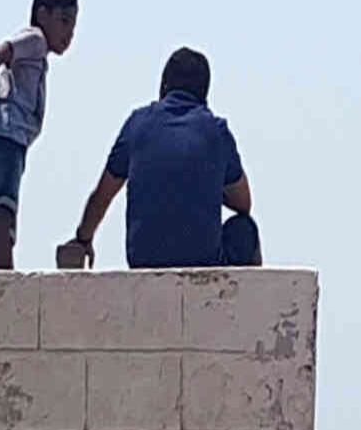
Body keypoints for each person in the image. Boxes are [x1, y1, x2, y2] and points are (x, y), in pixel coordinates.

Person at [62, 48, 253, 269]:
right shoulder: (216, 131)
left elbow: (102, 196)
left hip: (144, 261)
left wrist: (83, 239)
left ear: (163, 86)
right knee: (244, 229)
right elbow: (243, 203)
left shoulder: (137, 124)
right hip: (202, 261)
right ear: (205, 94)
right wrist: (203, 182)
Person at [0, 0, 79, 270]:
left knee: (2, 204)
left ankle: (1, 264)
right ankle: (4, 271)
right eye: (64, 22)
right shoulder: (35, 39)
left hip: (11, 134)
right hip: (7, 131)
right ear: (42, 14)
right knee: (4, 205)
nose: (68, 34)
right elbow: (6, 50)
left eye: (73, 26)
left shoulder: (39, 52)